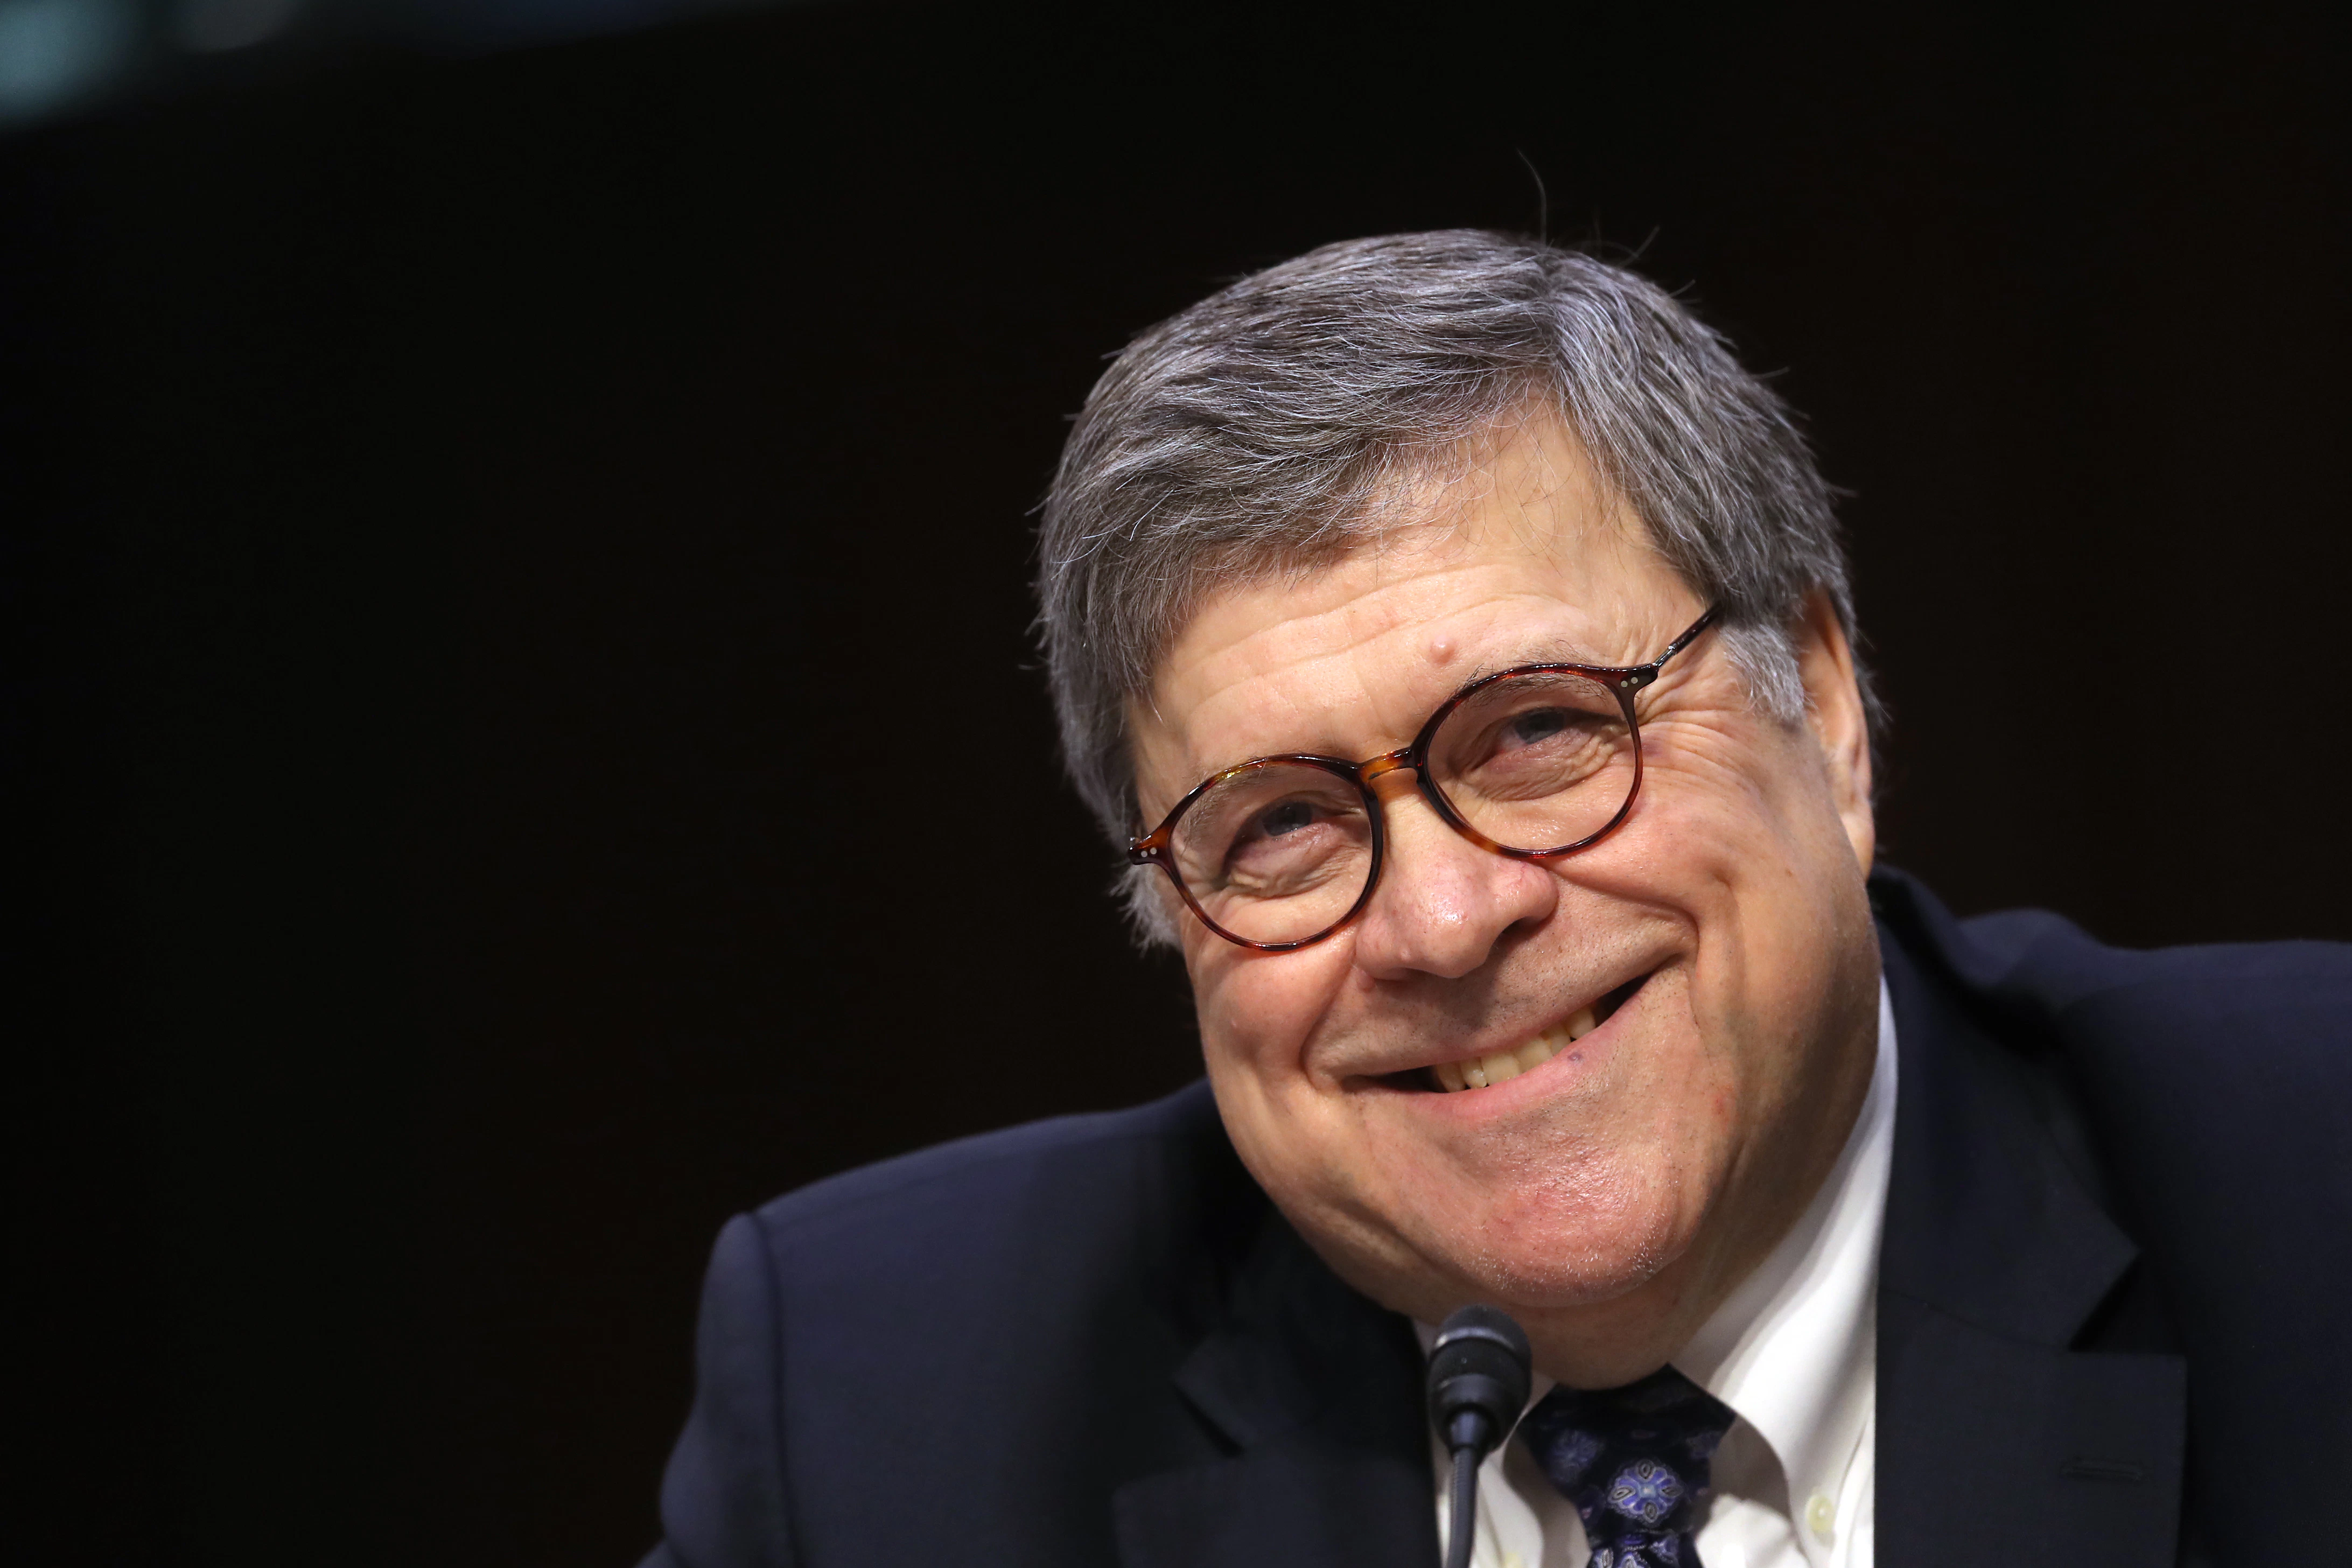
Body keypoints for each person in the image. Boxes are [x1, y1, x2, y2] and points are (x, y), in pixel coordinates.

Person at [638, 233, 2349, 1568]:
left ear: (1821, 707)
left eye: (1541, 731)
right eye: (1285, 827)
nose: (1446, 923)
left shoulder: (2304, 1185)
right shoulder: (889, 1406)